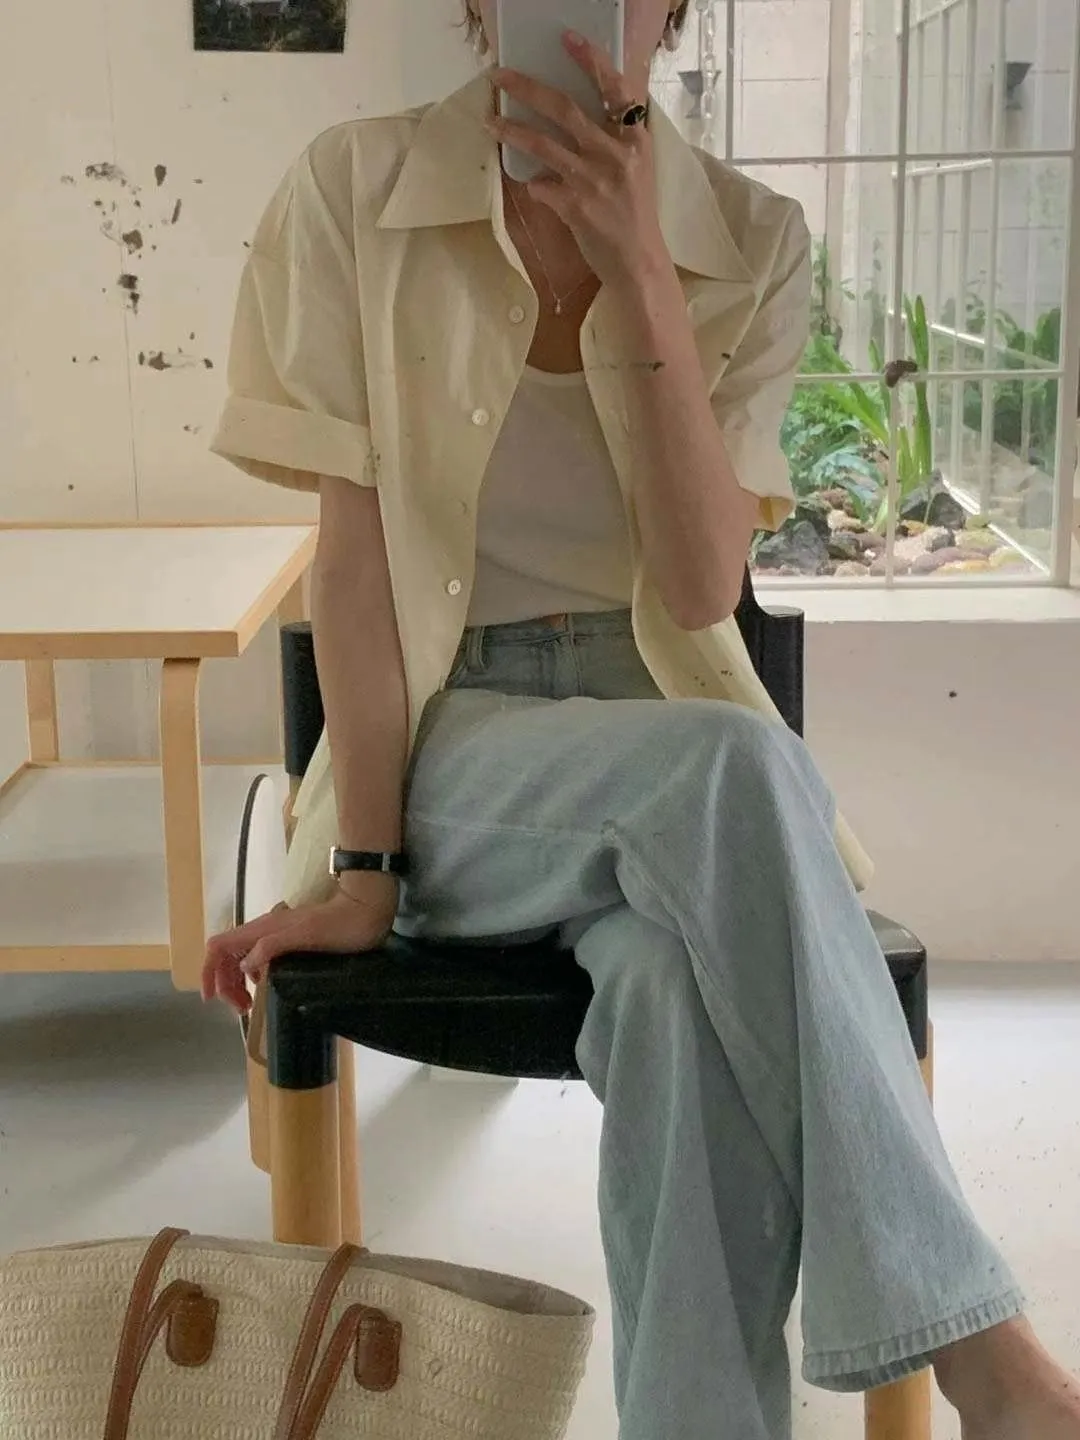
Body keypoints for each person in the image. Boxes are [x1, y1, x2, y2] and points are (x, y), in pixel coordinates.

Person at [202, 2, 1080, 1436]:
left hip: (661, 731)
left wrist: (644, 277)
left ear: (669, 9)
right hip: (447, 754)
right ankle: (983, 1353)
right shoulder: (351, 191)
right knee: (736, 768)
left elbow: (697, 585)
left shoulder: (752, 237)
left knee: (676, 1001)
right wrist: (364, 871)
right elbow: (351, 570)